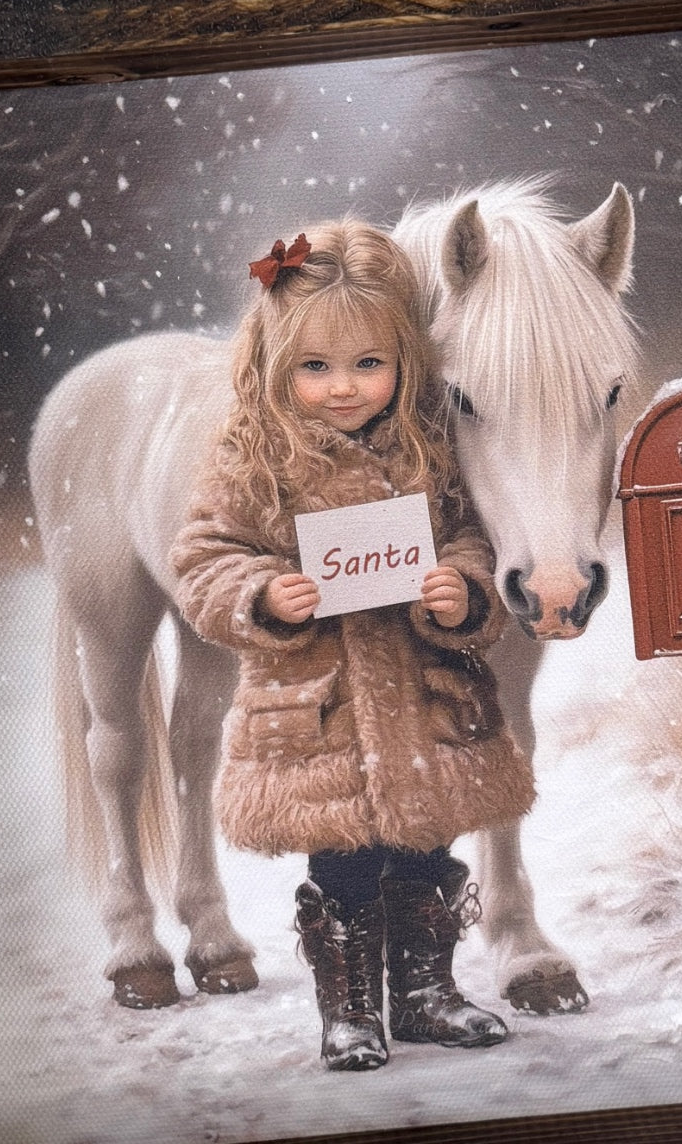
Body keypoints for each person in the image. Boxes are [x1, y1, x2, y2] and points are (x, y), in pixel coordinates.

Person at [170, 220, 534, 1071]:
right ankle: (349, 1011)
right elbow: (204, 558)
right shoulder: (254, 457)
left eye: (368, 364)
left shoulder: (431, 446)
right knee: (341, 868)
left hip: (426, 697)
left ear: (405, 358)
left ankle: (424, 996)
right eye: (315, 368)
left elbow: (475, 538)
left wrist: (462, 587)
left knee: (425, 852)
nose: (343, 388)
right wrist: (261, 594)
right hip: (317, 710)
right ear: (274, 365)